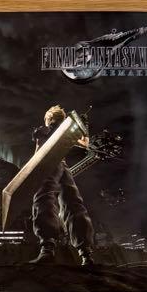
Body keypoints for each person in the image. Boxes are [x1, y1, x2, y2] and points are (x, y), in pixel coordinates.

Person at [30, 104, 96, 267]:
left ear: (49, 118)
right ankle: (86, 254)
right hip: (63, 167)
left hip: (48, 163)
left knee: (44, 198)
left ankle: (47, 249)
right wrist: (84, 126)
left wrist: (34, 171)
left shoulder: (45, 130)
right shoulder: (68, 131)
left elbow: (39, 151)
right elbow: (85, 143)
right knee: (73, 203)